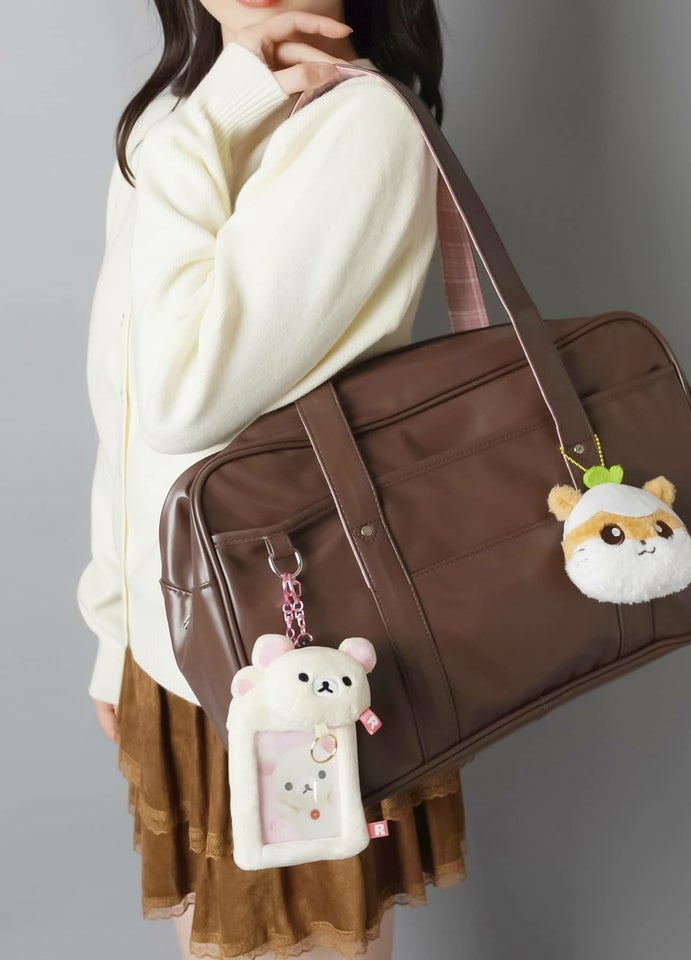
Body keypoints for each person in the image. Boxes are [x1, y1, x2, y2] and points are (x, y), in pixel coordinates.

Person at [75, 1, 468, 958]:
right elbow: (122, 411)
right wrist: (116, 625)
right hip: (179, 641)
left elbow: (183, 400)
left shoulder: (356, 124)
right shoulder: (178, 116)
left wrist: (211, 123)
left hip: (294, 658)